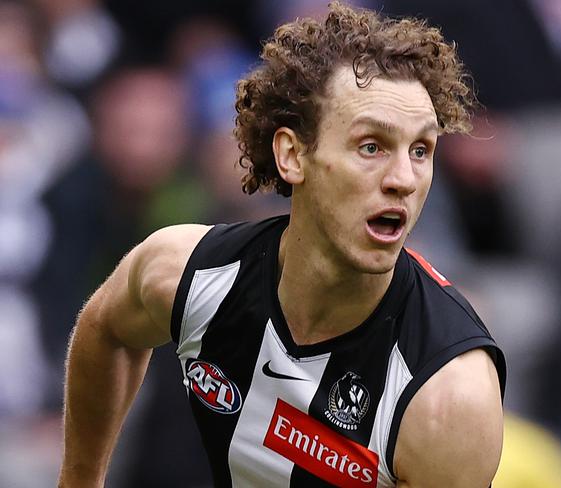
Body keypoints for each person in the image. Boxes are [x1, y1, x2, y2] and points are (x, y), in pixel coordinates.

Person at [58, 3, 506, 487]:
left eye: (421, 150)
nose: (404, 178)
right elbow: (108, 332)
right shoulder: (186, 272)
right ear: (292, 155)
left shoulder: (448, 395)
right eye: (371, 146)